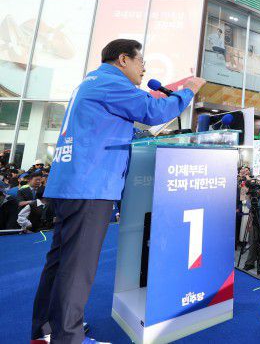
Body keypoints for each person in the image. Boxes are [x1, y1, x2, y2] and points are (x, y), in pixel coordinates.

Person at [30, 39, 204, 344]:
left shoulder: (93, 82)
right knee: (77, 267)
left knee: (59, 262)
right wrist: (188, 90)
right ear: (123, 59)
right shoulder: (111, 83)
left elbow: (111, 127)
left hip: (73, 184)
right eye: (141, 62)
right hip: (90, 186)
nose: (144, 69)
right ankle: (67, 338)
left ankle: (47, 330)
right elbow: (153, 110)